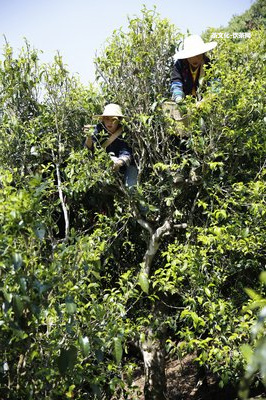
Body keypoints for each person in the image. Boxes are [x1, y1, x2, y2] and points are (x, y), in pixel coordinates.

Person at [84, 103, 138, 190]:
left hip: (126, 165)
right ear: (103, 120)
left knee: (131, 189)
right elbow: (89, 149)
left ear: (119, 120)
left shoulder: (124, 132)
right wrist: (88, 136)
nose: (110, 122)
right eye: (107, 119)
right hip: (107, 165)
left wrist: (118, 163)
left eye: (114, 119)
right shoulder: (98, 129)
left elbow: (126, 153)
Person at [170, 34, 217, 103]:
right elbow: (176, 82)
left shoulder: (209, 65)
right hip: (186, 101)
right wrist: (178, 97)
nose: (195, 59)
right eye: (191, 56)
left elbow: (215, 85)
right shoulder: (180, 64)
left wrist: (206, 100)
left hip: (206, 103)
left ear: (203, 53)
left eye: (198, 55)